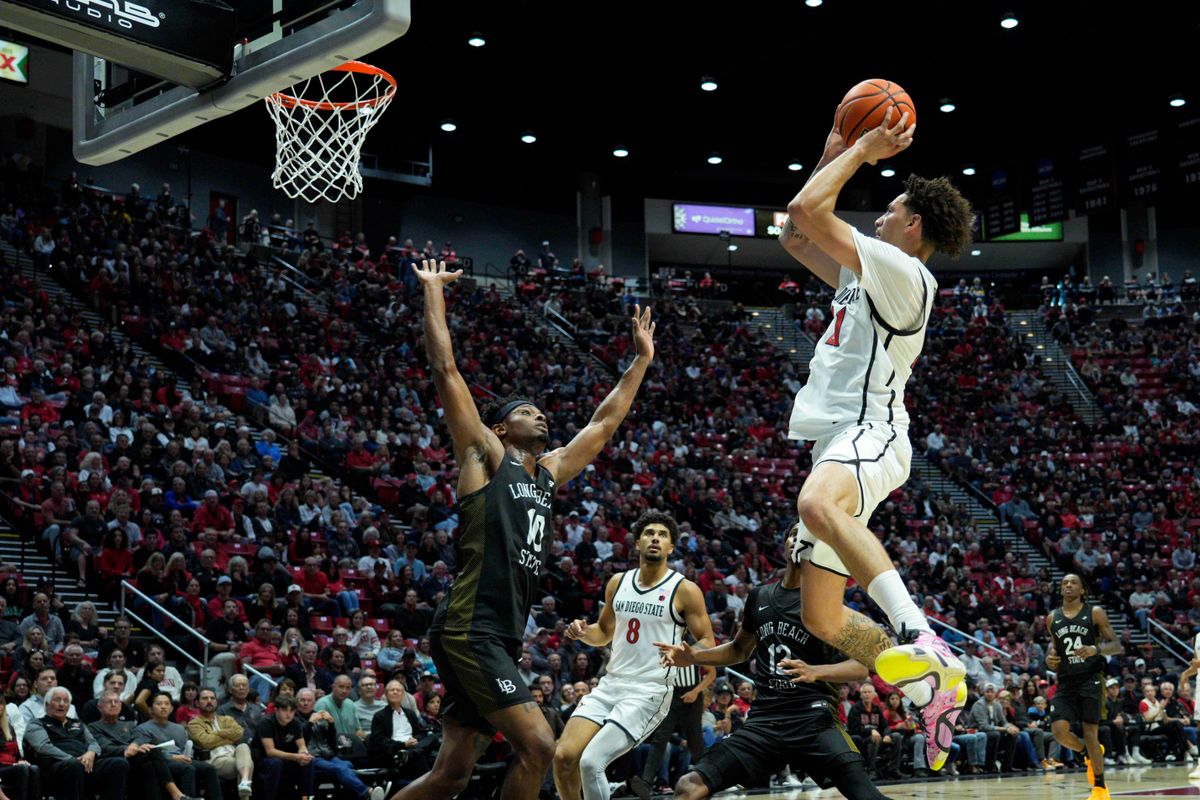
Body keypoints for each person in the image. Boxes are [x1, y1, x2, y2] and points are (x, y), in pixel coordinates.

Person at [390, 259, 656, 800]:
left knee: (452, 775)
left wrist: (640, 360)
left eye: (540, 411)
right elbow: (446, 371)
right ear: (500, 427)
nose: (540, 415)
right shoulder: (485, 456)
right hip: (472, 627)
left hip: (498, 633)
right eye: (526, 411)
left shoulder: (549, 472)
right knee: (540, 746)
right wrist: (433, 292)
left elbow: (603, 425)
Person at [779, 109, 975, 770]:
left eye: (889, 209)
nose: (879, 217)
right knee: (822, 618)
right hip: (838, 438)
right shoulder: (866, 275)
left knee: (816, 507)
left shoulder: (901, 270)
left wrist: (860, 149)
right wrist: (831, 148)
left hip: (869, 432)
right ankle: (926, 687)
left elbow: (811, 210)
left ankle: (922, 636)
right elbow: (792, 230)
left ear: (912, 224)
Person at [654, 528, 886, 800]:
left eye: (809, 537)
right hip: (764, 720)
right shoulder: (759, 596)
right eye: (795, 534)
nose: (800, 540)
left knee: (868, 796)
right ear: (785, 544)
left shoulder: (829, 604)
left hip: (812, 718)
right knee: (688, 786)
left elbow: (859, 667)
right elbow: (739, 649)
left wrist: (815, 671)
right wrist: (693, 656)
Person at [553, 511, 714, 800]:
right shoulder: (618, 582)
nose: (655, 538)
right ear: (637, 542)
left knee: (591, 762)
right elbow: (603, 632)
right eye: (649, 533)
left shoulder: (685, 590)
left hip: (649, 691)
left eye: (662, 535)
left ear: (671, 547)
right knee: (564, 757)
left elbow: (707, 642)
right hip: (611, 684)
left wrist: (688, 654)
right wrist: (581, 631)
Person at [1046, 574, 1122, 800]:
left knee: (1091, 733)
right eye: (1064, 583)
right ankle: (1088, 753)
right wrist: (1049, 660)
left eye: (1073, 583)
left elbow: (1116, 645)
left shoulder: (1095, 613)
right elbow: (1054, 650)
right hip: (1066, 681)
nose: (1068, 585)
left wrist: (1096, 650)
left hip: (1090, 679)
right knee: (1059, 731)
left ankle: (1100, 788)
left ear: (1082, 590)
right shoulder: (1052, 618)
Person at [23, 686, 129, 800]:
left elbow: (94, 743)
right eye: (57, 700)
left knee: (119, 763)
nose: (62, 704)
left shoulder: (78, 723)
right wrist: (71, 758)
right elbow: (43, 747)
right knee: (74, 766)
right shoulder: (36, 723)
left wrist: (91, 753)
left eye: (66, 701)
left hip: (85, 765)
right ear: (47, 704)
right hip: (57, 767)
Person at [90, 690, 198, 800]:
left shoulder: (129, 724)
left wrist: (134, 744)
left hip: (133, 759)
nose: (113, 704)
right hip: (111, 761)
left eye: (116, 702)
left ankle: (177, 795)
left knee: (150, 763)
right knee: (147, 756)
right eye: (109, 702)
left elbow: (140, 737)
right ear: (99, 707)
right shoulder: (93, 727)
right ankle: (177, 794)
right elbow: (104, 747)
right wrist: (127, 749)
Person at [296, 688, 382, 800]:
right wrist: (309, 723)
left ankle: (357, 796)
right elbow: (300, 740)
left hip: (327, 755)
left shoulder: (318, 716)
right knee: (340, 769)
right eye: (302, 700)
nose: (306, 703)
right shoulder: (294, 719)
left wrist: (331, 724)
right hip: (310, 758)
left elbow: (331, 741)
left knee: (347, 765)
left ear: (314, 703)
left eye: (309, 700)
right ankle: (368, 792)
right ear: (297, 702)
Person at [187, 687, 254, 797]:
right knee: (247, 765)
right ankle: (245, 790)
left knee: (243, 746)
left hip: (234, 754)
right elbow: (205, 741)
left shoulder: (226, 719)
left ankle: (245, 782)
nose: (209, 701)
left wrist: (216, 733)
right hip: (215, 759)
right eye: (205, 698)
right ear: (197, 703)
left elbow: (239, 732)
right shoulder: (194, 724)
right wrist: (228, 736)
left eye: (212, 698)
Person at [252, 694, 315, 800]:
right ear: (276, 710)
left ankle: (305, 798)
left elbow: (302, 745)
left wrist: (304, 754)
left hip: (286, 758)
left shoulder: (296, 723)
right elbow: (270, 751)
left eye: (292, 711)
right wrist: (296, 757)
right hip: (263, 759)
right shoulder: (266, 723)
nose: (288, 714)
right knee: (276, 763)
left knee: (308, 762)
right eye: (285, 710)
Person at [368, 680, 434, 780]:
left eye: (398, 690)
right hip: (395, 751)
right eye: (392, 690)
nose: (395, 692)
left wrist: (414, 740)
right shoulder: (379, 716)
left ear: (403, 694)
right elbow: (380, 741)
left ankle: (411, 753)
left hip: (413, 746)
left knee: (433, 736)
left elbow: (419, 733)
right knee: (420, 757)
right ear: (386, 695)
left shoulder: (410, 713)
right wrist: (403, 745)